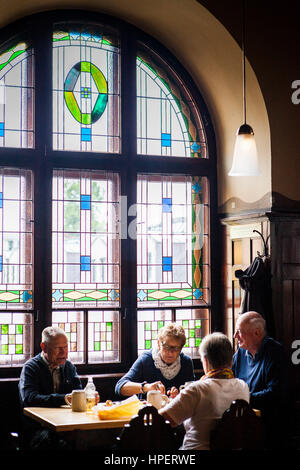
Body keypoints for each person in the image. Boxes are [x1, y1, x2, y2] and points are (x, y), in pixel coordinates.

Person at [159, 332, 250, 450]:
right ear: (231, 361)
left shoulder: (198, 389)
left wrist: (161, 404)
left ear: (205, 361)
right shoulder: (243, 387)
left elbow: (160, 421)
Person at [19, 326, 82, 449]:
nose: (63, 353)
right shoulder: (31, 368)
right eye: (58, 348)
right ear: (44, 347)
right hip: (37, 428)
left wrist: (88, 396)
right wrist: (63, 399)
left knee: (88, 438)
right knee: (58, 442)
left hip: (66, 424)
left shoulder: (68, 367)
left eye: (65, 347)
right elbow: (29, 399)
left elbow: (78, 393)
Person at [232, 311, 288, 448]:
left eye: (239, 331)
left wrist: (243, 398)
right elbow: (230, 380)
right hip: (243, 418)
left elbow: (274, 394)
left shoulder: (275, 353)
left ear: (257, 333)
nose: (235, 336)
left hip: (268, 424)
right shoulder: (240, 353)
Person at [115, 323, 195, 399]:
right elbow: (120, 387)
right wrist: (146, 387)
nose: (170, 352)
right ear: (159, 344)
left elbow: (194, 394)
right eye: (167, 346)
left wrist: (180, 395)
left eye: (176, 348)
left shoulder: (186, 362)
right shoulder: (146, 359)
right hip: (148, 412)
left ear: (181, 348)